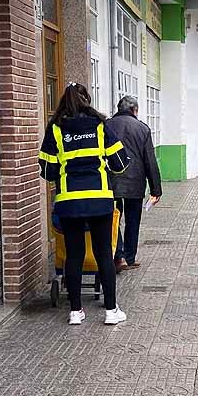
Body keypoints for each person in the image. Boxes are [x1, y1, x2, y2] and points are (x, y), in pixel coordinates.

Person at [39, 84, 130, 325]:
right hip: (99, 199)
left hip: (70, 202)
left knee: (74, 254)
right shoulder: (100, 125)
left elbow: (47, 171)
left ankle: (76, 312)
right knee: (103, 253)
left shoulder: (56, 128)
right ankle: (111, 311)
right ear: (86, 100)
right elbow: (121, 163)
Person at [108, 95, 163, 273]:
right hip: (135, 182)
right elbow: (150, 161)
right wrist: (156, 190)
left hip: (111, 181)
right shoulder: (142, 129)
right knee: (133, 220)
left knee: (113, 219)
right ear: (135, 110)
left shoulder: (107, 125)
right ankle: (129, 258)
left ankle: (119, 255)